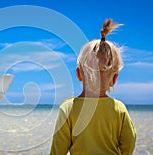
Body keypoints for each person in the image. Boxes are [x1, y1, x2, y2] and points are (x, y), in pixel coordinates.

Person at [50, 19, 136, 155]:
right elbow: (129, 142)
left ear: (79, 74)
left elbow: (58, 150)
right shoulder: (119, 109)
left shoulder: (68, 109)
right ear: (114, 79)